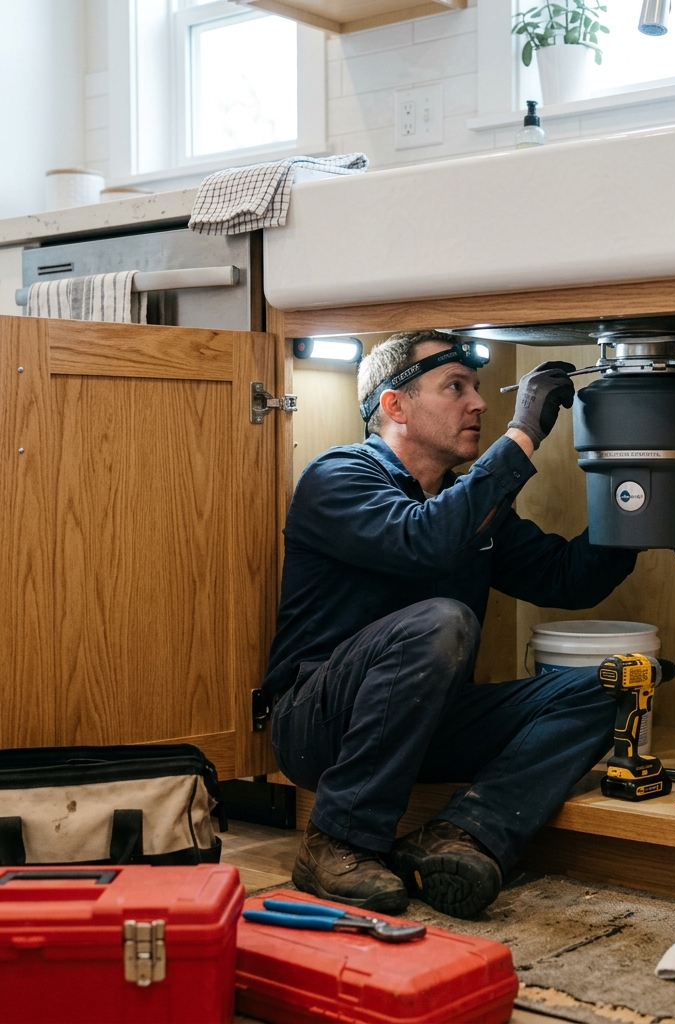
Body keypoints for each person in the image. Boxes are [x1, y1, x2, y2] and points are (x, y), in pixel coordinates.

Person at [263, 330, 637, 919]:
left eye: (478, 388)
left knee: (608, 685)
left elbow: (570, 579)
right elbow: (425, 541)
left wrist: (637, 490)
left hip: (424, 727)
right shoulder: (338, 476)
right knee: (442, 621)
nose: (479, 403)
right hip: (318, 723)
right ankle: (336, 840)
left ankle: (460, 835)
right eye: (454, 387)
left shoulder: (468, 507)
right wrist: (523, 435)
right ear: (394, 406)